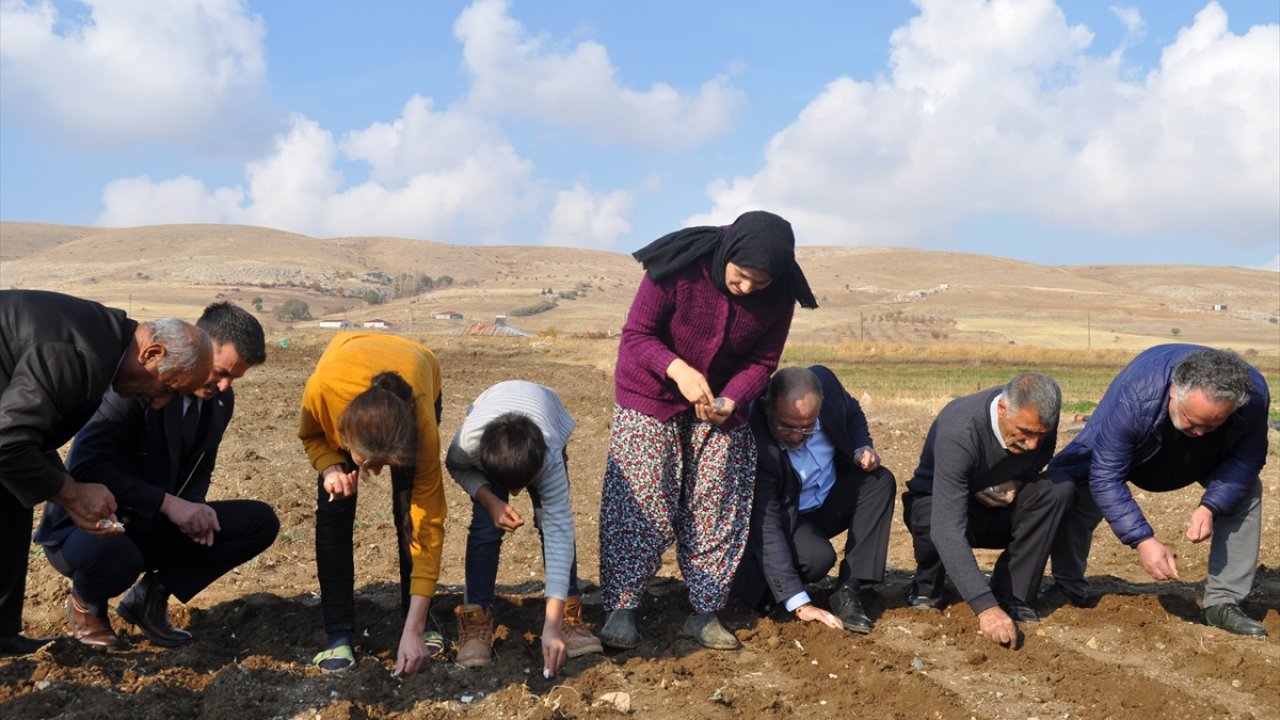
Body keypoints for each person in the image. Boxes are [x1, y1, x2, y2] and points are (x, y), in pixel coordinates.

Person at [598, 210, 817, 651]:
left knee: (718, 500)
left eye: (761, 282)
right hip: (651, 392)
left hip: (721, 404)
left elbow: (763, 363)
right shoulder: (680, 265)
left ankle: (704, 610)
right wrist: (677, 370)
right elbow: (638, 336)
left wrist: (732, 399)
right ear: (728, 255)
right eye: (741, 277)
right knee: (643, 497)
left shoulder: (780, 293)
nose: (748, 288)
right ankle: (621, 606)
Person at [36, 302, 279, 649]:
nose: (224, 386)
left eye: (234, 379)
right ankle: (86, 605)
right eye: (221, 372)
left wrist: (193, 508)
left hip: (150, 524)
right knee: (117, 556)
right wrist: (167, 504)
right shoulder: (139, 387)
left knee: (259, 522)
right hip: (89, 527)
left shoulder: (221, 402)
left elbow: (201, 464)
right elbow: (84, 467)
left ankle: (149, 597)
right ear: (201, 346)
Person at [0, 289, 213, 656]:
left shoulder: (103, 343)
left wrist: (65, 489)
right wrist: (71, 493)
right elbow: (7, 442)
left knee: (14, 493)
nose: (161, 402)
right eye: (167, 388)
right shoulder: (82, 358)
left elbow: (30, 440)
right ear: (152, 354)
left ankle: (1, 635)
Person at [1041, 345, 1269, 637]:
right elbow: (1106, 475)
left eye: (1212, 424)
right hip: (1137, 438)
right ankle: (1067, 584)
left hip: (1204, 457)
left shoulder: (1253, 396)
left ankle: (1223, 602)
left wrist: (1211, 506)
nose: (1199, 432)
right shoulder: (1137, 395)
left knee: (1246, 491)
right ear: (1174, 391)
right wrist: (1143, 540)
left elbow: (1246, 459)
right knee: (1073, 485)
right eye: (1192, 420)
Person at [299, 332, 445, 676]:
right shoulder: (323, 391)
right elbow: (311, 436)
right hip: (345, 378)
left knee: (410, 510)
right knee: (334, 511)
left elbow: (429, 523)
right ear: (344, 436)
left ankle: (417, 622)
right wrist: (330, 466)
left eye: (386, 463)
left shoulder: (420, 424)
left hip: (417, 368)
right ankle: (338, 634)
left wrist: (412, 630)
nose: (376, 473)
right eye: (369, 463)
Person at [902, 373, 1075, 649]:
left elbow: (1039, 459)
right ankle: (927, 584)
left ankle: (1013, 591)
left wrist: (1017, 482)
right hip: (947, 505)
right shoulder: (960, 429)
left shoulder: (1039, 419)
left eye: (1040, 435)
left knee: (1058, 489)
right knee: (930, 514)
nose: (1032, 444)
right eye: (1026, 433)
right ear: (1002, 409)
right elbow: (947, 526)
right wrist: (986, 609)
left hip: (998, 507)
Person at [445, 381, 603, 676]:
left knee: (549, 521)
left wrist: (551, 626)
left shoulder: (550, 457)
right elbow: (456, 468)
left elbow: (560, 531)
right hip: (492, 407)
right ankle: (476, 617)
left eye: (524, 485)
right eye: (509, 488)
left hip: (546, 412)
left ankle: (567, 615)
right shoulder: (467, 446)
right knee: (484, 527)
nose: (516, 494)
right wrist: (490, 499)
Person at [733, 366, 896, 635]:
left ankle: (848, 589)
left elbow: (852, 411)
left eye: (808, 427)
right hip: (788, 515)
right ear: (767, 407)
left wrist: (861, 445)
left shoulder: (827, 386)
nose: (797, 436)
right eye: (786, 427)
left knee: (879, 481)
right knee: (817, 558)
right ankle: (763, 589)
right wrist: (800, 605)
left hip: (827, 499)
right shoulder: (757, 441)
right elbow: (768, 525)